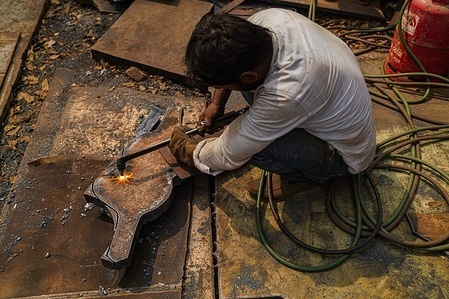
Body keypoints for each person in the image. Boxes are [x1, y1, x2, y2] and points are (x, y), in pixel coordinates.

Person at [169, 8, 376, 199]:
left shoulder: (288, 92)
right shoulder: (269, 21)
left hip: (344, 156)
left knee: (256, 149)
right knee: (255, 113)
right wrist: (216, 104)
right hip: (327, 105)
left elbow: (227, 153)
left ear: (249, 76)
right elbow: (235, 66)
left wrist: (191, 153)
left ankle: (310, 176)